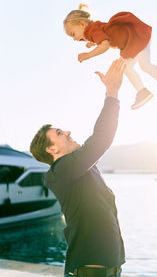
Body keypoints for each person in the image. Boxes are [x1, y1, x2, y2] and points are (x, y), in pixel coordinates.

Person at [30, 59, 126, 277]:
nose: (68, 132)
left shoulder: (81, 169)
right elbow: (101, 139)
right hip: (90, 271)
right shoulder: (60, 173)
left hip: (108, 269)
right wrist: (112, 92)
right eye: (60, 134)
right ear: (52, 149)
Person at [63, 4, 157, 110]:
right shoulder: (92, 30)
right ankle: (143, 92)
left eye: (73, 34)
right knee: (126, 67)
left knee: (145, 65)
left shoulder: (92, 30)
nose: (74, 38)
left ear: (82, 24)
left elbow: (105, 45)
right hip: (130, 43)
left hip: (135, 39)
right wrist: (93, 42)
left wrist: (88, 55)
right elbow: (104, 34)